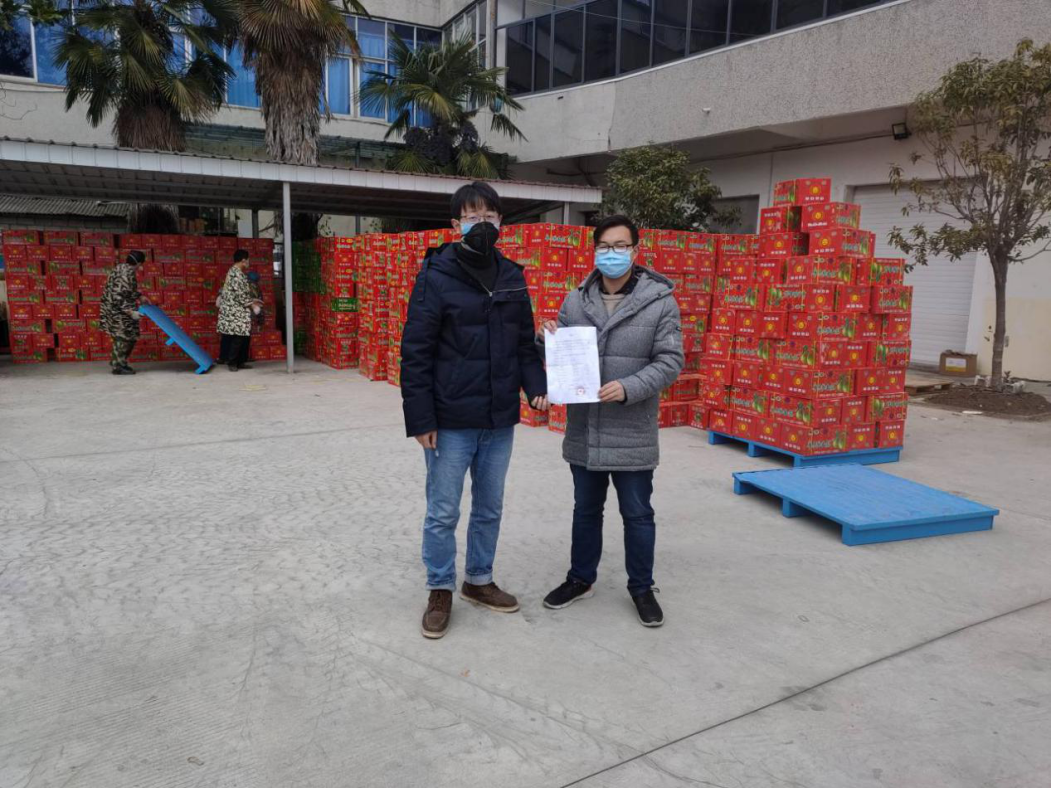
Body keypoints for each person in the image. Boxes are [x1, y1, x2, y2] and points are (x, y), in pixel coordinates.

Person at [401, 181, 549, 640]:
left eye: (489, 216)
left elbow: (524, 344)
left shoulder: (512, 276)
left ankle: (478, 580)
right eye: (472, 217)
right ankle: (440, 587)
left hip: (498, 418)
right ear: (455, 224)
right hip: (449, 420)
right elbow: (416, 351)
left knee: (489, 507)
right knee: (443, 510)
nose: (481, 224)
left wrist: (537, 388)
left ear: (501, 222)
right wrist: (421, 418)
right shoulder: (435, 275)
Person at [540, 215, 684, 627]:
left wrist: (628, 387)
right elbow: (563, 357)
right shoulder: (575, 301)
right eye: (604, 246)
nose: (612, 254)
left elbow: (671, 361)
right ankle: (580, 578)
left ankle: (641, 587)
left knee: (637, 513)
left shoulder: (660, 302)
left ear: (636, 250)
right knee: (586, 510)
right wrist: (548, 337)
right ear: (594, 251)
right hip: (585, 429)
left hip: (631, 430)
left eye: (620, 246)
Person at [100, 250, 148, 375]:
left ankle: (118, 362)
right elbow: (118, 296)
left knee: (127, 336)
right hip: (118, 310)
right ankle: (118, 366)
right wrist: (130, 312)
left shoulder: (122, 267)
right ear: (139, 263)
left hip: (116, 307)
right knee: (124, 337)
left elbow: (127, 290)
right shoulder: (126, 273)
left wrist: (139, 296)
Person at [216, 249, 261, 371]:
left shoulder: (237, 272)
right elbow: (240, 295)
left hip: (238, 310)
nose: (249, 262)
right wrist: (253, 305)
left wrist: (251, 302)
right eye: (248, 260)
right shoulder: (236, 274)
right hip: (235, 311)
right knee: (238, 337)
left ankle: (241, 361)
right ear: (243, 260)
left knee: (243, 336)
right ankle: (232, 362)